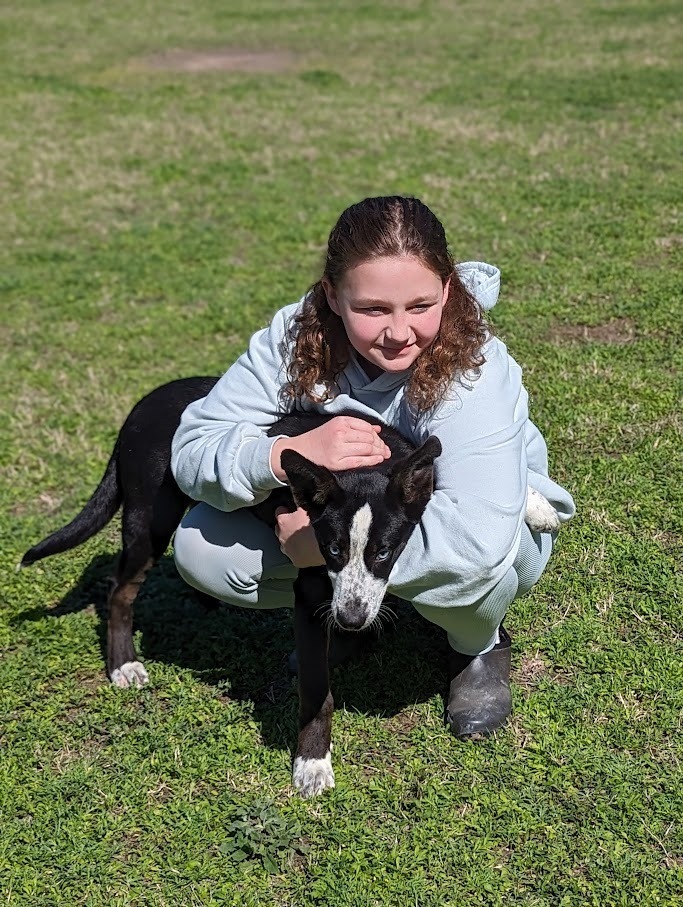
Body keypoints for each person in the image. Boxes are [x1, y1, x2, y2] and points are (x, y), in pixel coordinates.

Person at [170, 196, 575, 738]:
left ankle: (476, 644)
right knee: (202, 546)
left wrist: (322, 551)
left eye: (420, 305)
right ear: (334, 298)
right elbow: (192, 449)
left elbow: (477, 544)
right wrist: (279, 456)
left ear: (448, 291)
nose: (399, 332)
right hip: (360, 522)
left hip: (500, 529)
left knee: (488, 568)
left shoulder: (471, 368)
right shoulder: (293, 339)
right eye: (373, 309)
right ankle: (356, 609)